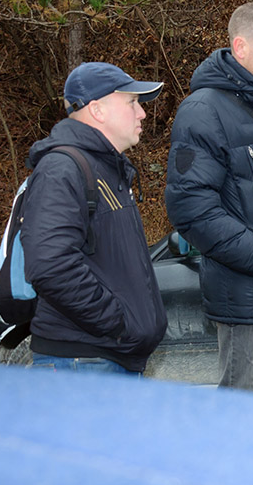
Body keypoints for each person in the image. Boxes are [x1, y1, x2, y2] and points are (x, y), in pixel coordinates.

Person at [165, 3, 253, 395]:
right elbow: (191, 208)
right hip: (245, 291)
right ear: (241, 47)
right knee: (242, 407)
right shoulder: (202, 111)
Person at [23, 62, 168, 375]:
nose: (142, 113)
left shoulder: (108, 169)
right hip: (82, 363)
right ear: (97, 110)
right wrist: (117, 323)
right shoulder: (62, 169)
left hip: (104, 360)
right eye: (132, 102)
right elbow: (49, 265)